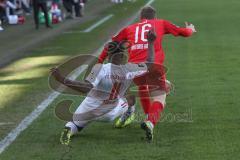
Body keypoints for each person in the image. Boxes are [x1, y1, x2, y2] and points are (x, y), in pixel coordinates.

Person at [98, 6, 196, 141]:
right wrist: (190, 29)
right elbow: (184, 33)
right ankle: (149, 121)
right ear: (154, 17)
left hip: (132, 69)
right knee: (160, 97)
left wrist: (99, 61)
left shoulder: (129, 28)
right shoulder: (161, 23)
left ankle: (133, 112)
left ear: (140, 18)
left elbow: (110, 45)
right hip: (153, 67)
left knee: (140, 88)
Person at [50, 30, 157, 145]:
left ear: (109, 55)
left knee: (74, 124)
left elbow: (86, 88)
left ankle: (68, 131)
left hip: (89, 108)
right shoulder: (130, 68)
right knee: (130, 97)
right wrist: (150, 42)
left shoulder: (99, 68)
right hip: (110, 113)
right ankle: (126, 117)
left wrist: (62, 79)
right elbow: (150, 63)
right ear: (122, 55)